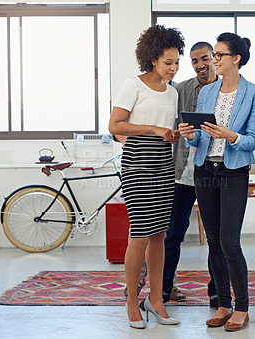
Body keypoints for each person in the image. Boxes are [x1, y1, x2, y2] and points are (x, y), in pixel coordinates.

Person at [179, 32, 255, 332]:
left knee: (230, 242)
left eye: (218, 55)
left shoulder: (254, 93)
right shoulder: (206, 92)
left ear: (235, 59)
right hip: (204, 170)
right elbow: (199, 138)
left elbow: (253, 140)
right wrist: (191, 135)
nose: (212, 60)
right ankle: (224, 305)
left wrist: (231, 136)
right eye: (213, 55)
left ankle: (242, 307)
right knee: (214, 243)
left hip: (233, 172)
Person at [108, 24, 184, 329]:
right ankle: (131, 302)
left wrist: (173, 135)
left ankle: (156, 300)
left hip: (163, 164)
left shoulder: (173, 93)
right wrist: (153, 129)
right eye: (168, 62)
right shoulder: (133, 85)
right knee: (139, 233)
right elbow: (115, 125)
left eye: (177, 62)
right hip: (138, 162)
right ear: (152, 58)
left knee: (159, 235)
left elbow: (166, 129)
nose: (174, 68)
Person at [162, 41, 219, 306]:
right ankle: (164, 288)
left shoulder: (227, 89)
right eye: (195, 61)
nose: (200, 65)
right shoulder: (180, 89)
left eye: (205, 58)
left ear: (215, 58)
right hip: (182, 174)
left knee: (216, 236)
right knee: (173, 234)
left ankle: (216, 290)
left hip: (214, 173)